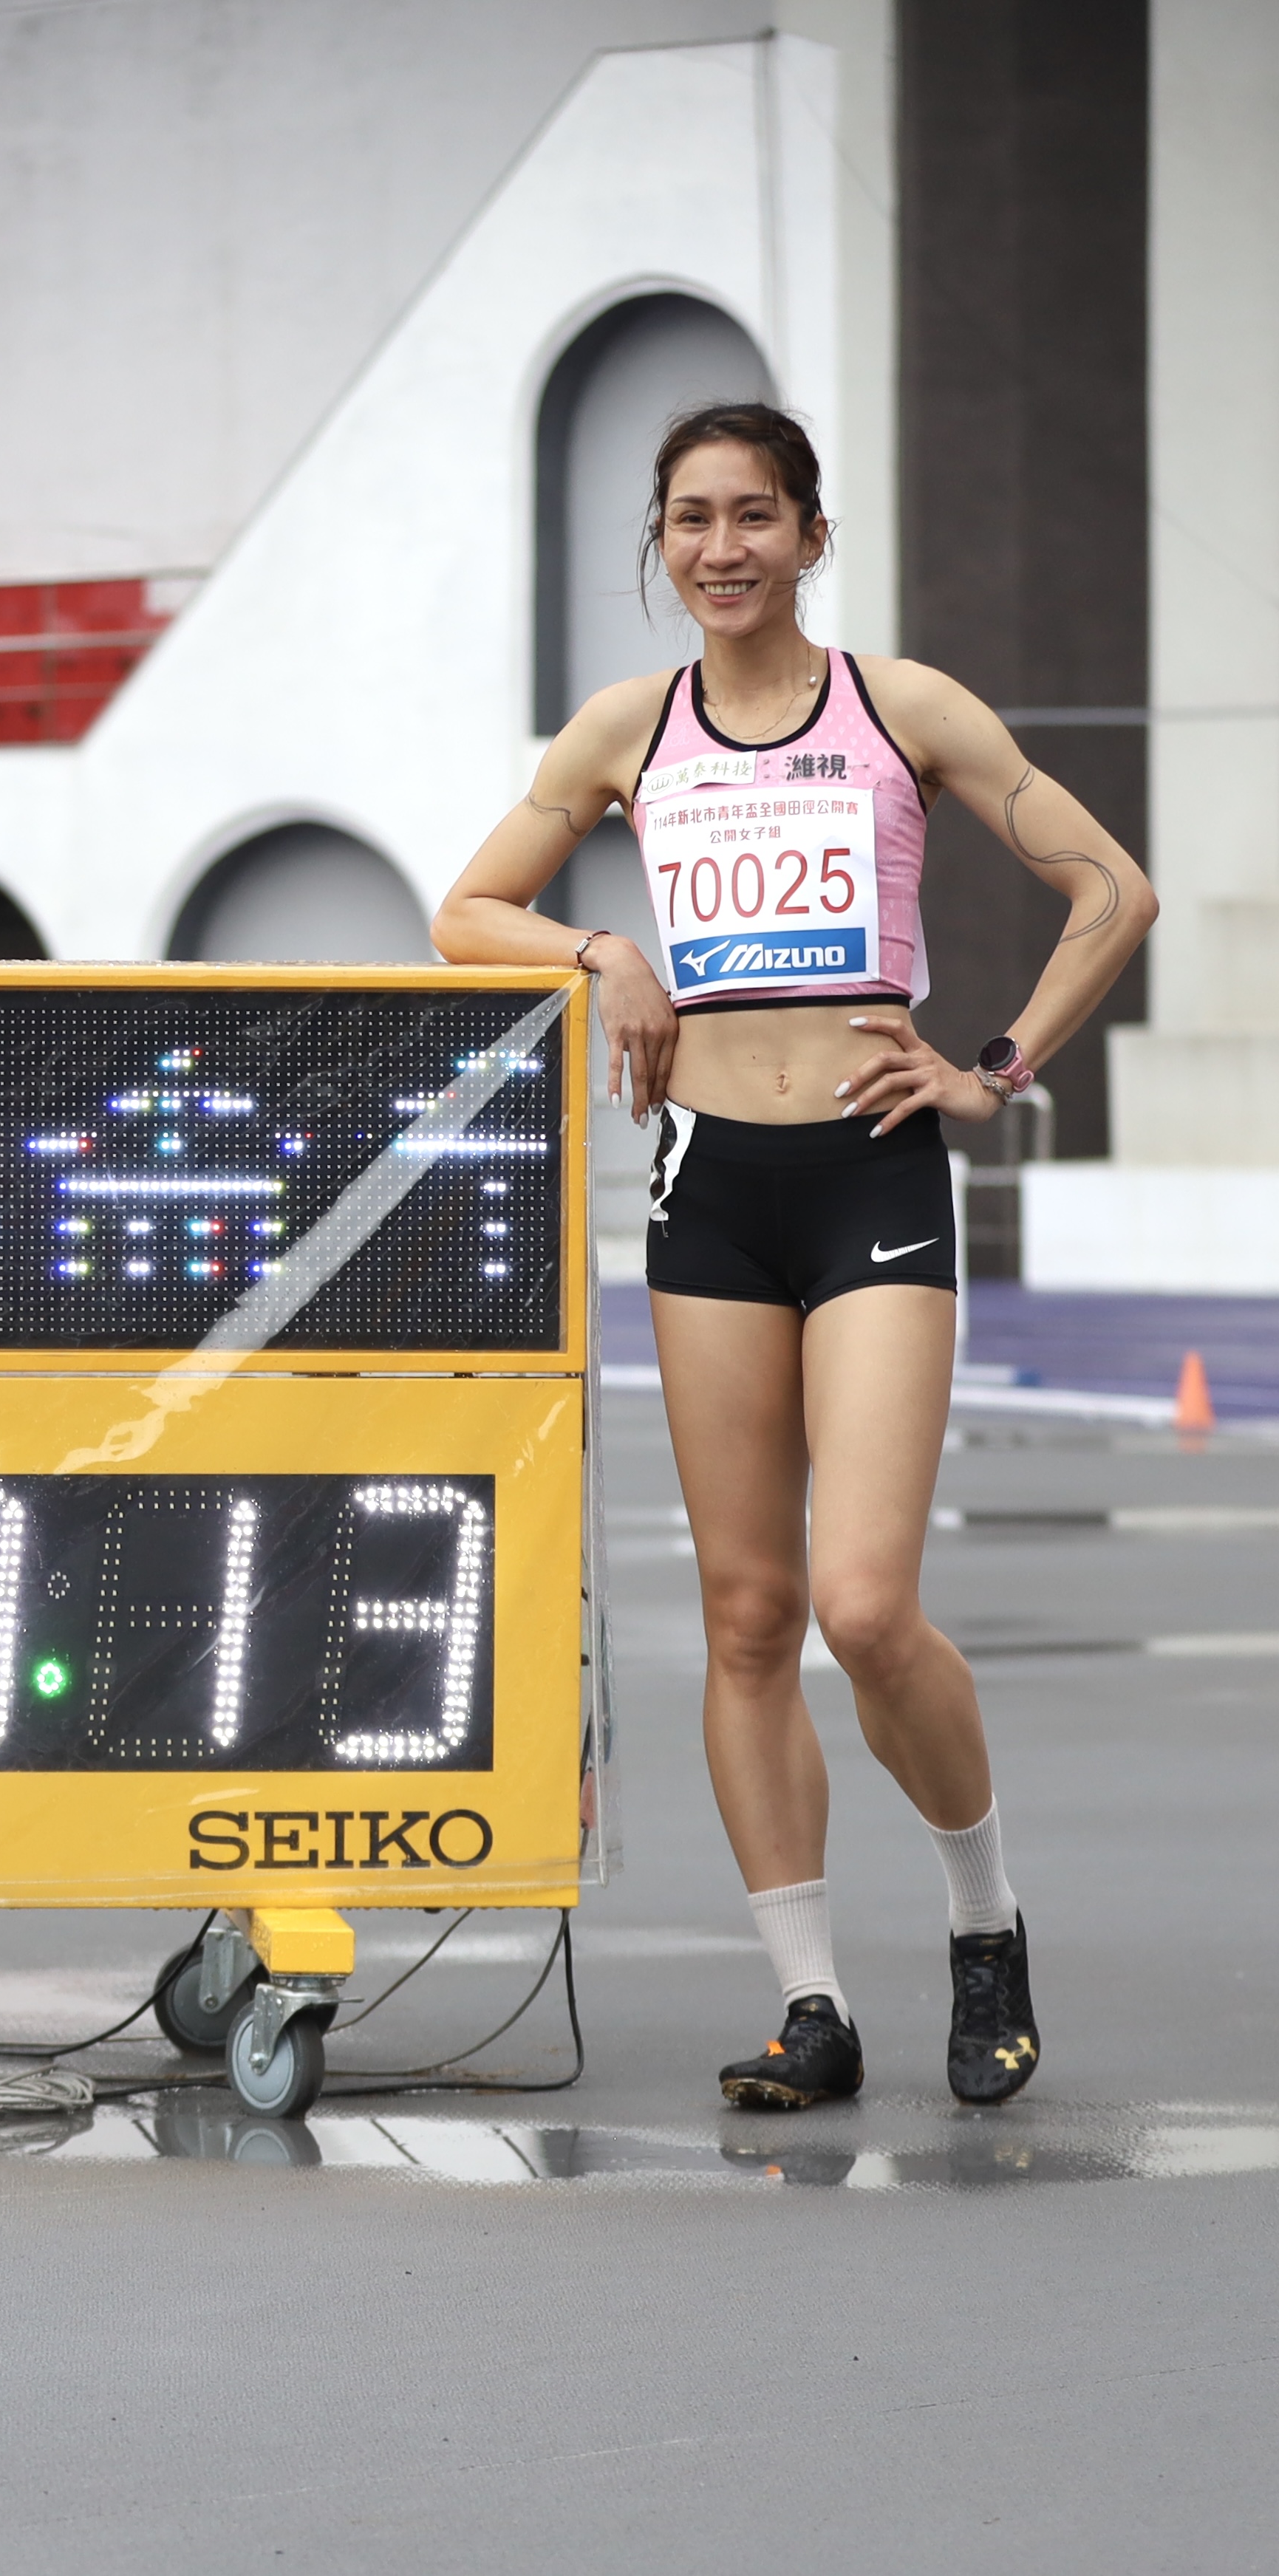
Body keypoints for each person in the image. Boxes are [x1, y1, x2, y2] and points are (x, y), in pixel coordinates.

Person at [432, 401, 1153, 2111]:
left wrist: (992, 1070)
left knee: (862, 1603)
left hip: (874, 1173)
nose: (721, 546)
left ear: (809, 537)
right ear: (660, 546)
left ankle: (983, 1923)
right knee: (750, 1616)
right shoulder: (625, 729)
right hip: (709, 1191)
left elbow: (1107, 890)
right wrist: (603, 947)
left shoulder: (899, 710)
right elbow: (463, 911)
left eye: (755, 514)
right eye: (690, 518)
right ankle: (810, 2007)